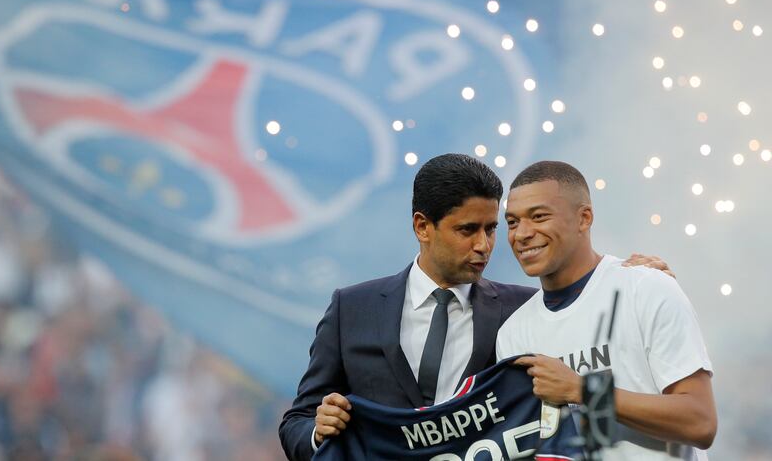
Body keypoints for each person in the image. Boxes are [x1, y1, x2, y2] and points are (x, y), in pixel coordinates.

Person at [279, 154, 673, 461]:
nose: (484, 245)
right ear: (422, 226)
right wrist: (318, 431)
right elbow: (297, 421)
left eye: (491, 229)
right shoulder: (352, 308)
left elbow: (584, 415)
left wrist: (627, 276)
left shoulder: (524, 313)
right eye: (467, 230)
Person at [495, 161, 717, 460]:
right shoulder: (513, 334)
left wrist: (583, 390)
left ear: (584, 218)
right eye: (512, 222)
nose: (521, 233)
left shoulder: (646, 288)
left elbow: (701, 422)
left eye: (538, 216)